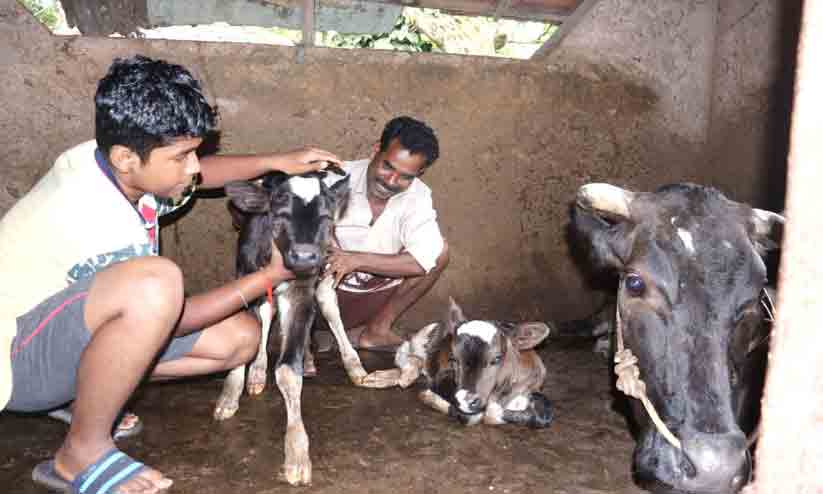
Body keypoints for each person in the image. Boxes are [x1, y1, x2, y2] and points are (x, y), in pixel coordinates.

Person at [0, 54, 341, 494]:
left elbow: (200, 174)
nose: (194, 166)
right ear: (128, 157)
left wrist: (279, 161)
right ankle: (80, 452)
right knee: (155, 284)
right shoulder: (94, 213)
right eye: (182, 156)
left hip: (56, 334)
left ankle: (80, 396)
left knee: (241, 339)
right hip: (16, 365)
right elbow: (168, 318)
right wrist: (268, 278)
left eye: (194, 152)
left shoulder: (111, 162)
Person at [322, 116, 449, 352]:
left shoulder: (418, 197)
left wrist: (355, 260)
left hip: (368, 298)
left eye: (406, 176)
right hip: (319, 299)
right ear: (376, 150)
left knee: (439, 252)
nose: (391, 181)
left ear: (420, 173)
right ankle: (304, 336)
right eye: (387, 166)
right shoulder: (335, 179)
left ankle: (376, 331)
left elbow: (424, 259)